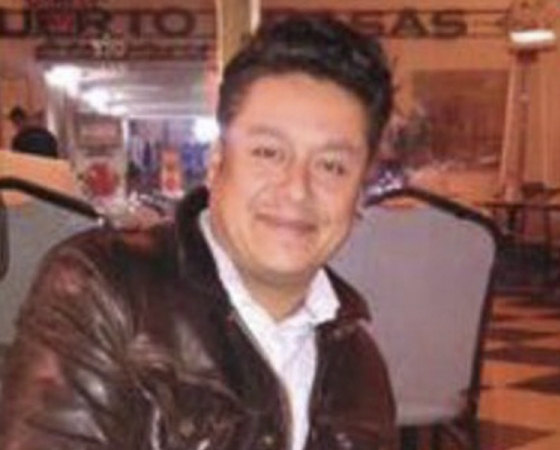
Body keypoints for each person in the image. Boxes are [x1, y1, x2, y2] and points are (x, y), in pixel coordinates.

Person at [0, 14, 396, 450]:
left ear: (360, 192)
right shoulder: (106, 292)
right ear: (216, 162)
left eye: (332, 166)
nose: (297, 189)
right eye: (268, 152)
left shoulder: (359, 368)